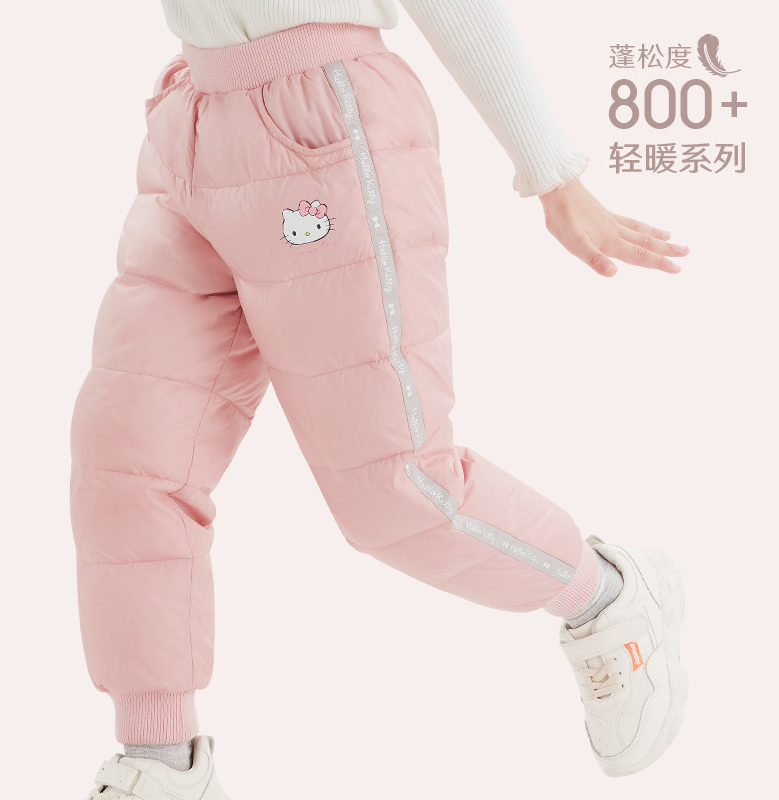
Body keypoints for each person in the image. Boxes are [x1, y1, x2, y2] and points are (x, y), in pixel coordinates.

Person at [73, 2, 690, 796]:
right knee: (126, 462)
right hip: (193, 124)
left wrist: (552, 171)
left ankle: (607, 596)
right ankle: (160, 763)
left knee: (397, 485)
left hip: (321, 122)